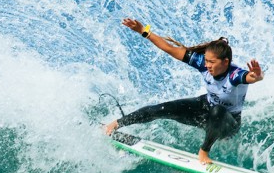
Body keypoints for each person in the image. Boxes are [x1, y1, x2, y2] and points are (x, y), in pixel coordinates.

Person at [104, 17, 264, 164]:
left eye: (212, 62)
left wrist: (257, 75)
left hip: (228, 124)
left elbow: (251, 77)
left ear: (225, 62)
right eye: (206, 61)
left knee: (217, 111)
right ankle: (117, 123)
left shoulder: (235, 75)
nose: (208, 65)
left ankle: (204, 152)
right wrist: (143, 31)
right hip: (205, 111)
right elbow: (168, 48)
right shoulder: (203, 64)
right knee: (160, 109)